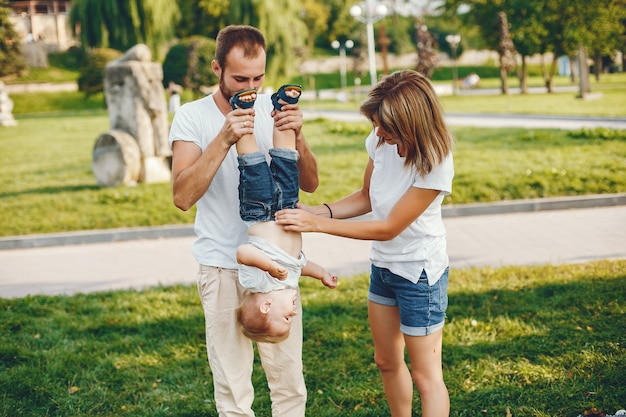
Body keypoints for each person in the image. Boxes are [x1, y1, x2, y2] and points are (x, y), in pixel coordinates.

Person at [276, 69, 454, 417]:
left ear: (409, 125)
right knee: (386, 361)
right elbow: (366, 196)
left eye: (384, 127)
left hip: (420, 274)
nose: (376, 133)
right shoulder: (379, 141)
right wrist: (320, 209)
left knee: (425, 374)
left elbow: (388, 227)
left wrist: (317, 224)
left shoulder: (435, 163)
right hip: (385, 267)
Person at [168, 25, 319, 417]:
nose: (249, 86)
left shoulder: (274, 109)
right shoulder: (191, 116)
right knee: (233, 391)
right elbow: (182, 197)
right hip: (221, 267)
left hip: (278, 272)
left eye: (258, 78)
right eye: (239, 78)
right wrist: (224, 139)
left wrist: (298, 138)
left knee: (289, 383)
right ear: (217, 68)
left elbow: (310, 183)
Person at [230, 87, 337, 343]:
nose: (293, 313)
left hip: (259, 210)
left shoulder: (259, 284)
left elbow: (242, 254)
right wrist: (321, 273)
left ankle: (242, 111)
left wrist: (270, 267)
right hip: (288, 205)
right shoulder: (288, 282)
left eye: (286, 318)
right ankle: (284, 106)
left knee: (251, 159)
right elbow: (301, 265)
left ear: (266, 307)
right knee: (286, 156)